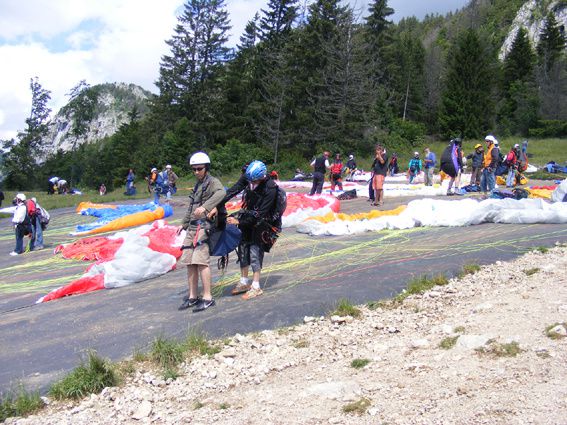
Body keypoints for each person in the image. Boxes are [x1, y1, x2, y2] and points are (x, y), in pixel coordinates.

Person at [177, 152, 226, 313]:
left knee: (201, 262)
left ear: (206, 168)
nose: (196, 172)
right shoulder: (198, 185)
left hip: (204, 228)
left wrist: (206, 207)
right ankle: (193, 296)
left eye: (199, 169)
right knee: (189, 262)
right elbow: (192, 207)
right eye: (194, 169)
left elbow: (221, 193)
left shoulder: (213, 182)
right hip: (191, 227)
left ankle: (207, 297)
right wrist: (183, 224)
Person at [227, 160, 278, 300]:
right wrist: (216, 204)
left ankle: (256, 285)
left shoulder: (270, 188)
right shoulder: (248, 177)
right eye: (250, 181)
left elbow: (261, 214)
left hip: (262, 222)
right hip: (248, 215)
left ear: (262, 177)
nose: (252, 184)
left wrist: (239, 221)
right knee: (243, 248)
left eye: (255, 182)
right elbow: (233, 190)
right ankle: (244, 281)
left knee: (255, 251)